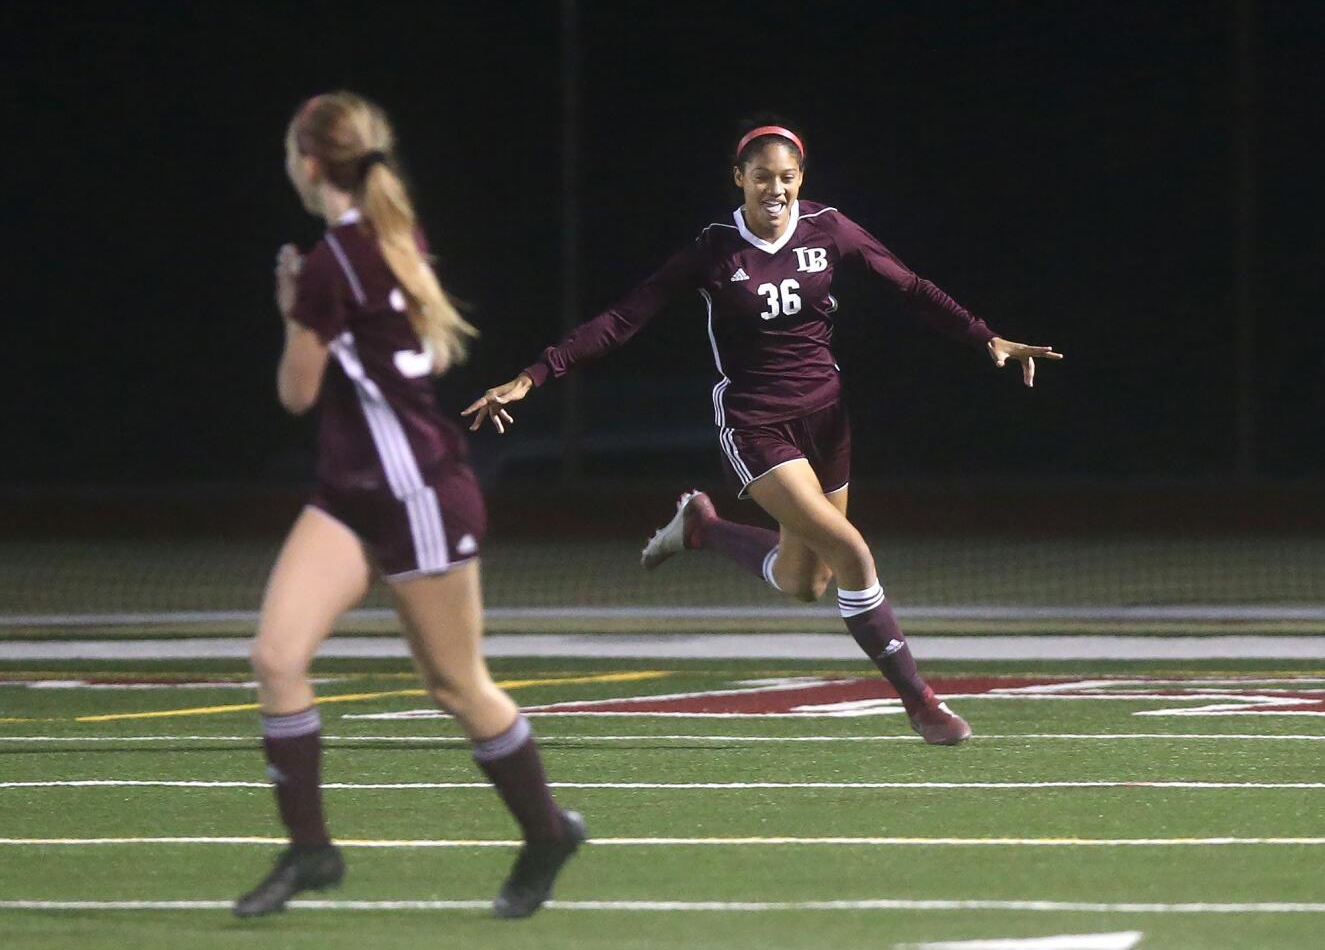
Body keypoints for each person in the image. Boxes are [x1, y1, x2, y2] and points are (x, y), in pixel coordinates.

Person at [463, 116, 1062, 745]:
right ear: (739, 180)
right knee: (853, 552)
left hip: (828, 420)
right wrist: (533, 376)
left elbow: (908, 286)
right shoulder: (713, 250)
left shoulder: (829, 229)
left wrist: (985, 336)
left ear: (801, 179)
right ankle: (921, 703)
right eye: (761, 177)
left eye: (787, 177)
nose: (775, 189)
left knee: (808, 582)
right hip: (756, 423)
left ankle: (704, 527)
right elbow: (621, 319)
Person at [234, 91, 584, 921]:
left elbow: (296, 391)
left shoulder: (332, 264)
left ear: (310, 162)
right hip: (350, 493)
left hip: (417, 493)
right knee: (276, 658)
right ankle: (312, 849)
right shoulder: (389, 236)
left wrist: (291, 310)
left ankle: (545, 831)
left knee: (457, 687)